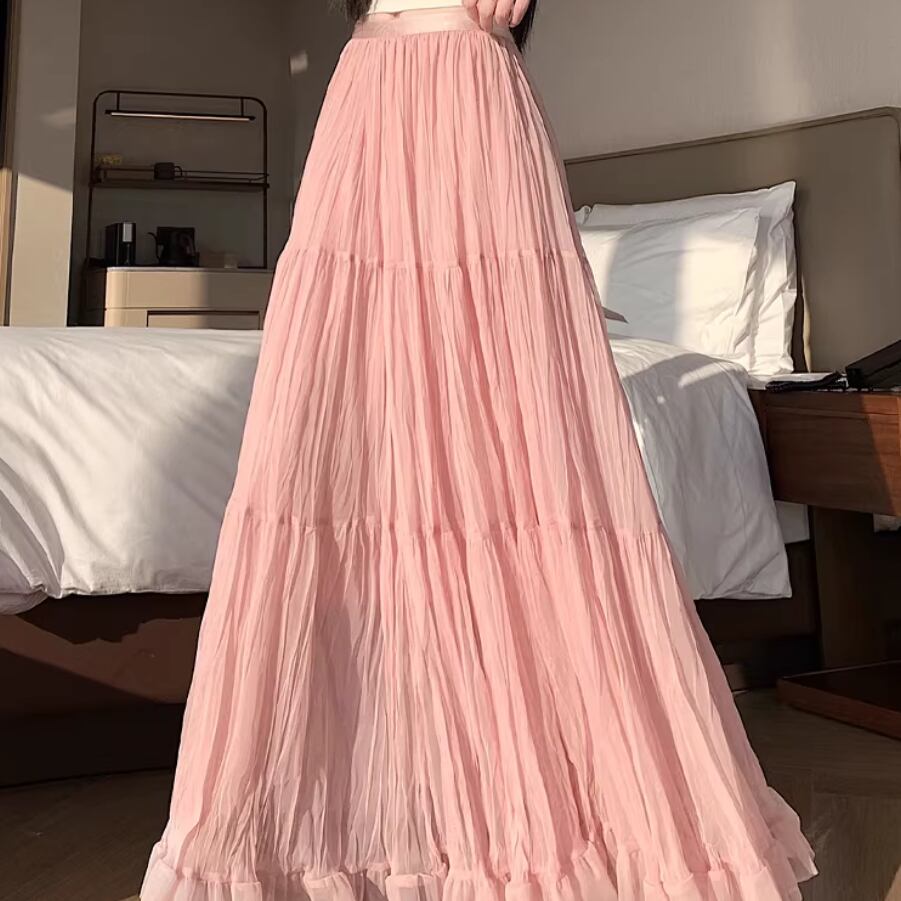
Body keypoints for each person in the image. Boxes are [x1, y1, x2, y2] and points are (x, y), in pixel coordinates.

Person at [140, 1, 817, 898]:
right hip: (364, 92)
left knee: (507, 419)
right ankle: (308, 832)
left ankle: (548, 823)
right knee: (332, 408)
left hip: (469, 92)